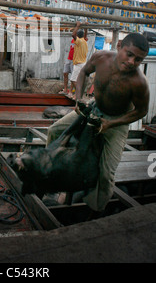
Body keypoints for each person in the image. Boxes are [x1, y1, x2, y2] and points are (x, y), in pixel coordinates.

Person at [46, 32, 150, 215]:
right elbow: (84, 72)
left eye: (138, 60)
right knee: (55, 131)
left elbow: (141, 111)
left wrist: (111, 124)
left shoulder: (139, 83)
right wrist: (78, 100)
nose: (132, 62)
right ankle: (52, 173)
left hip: (117, 122)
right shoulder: (101, 57)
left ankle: (95, 210)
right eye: (130, 54)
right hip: (94, 109)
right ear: (119, 47)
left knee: (106, 173)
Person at [59, 22, 88, 95]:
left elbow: (77, 35)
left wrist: (79, 26)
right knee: (66, 73)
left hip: (76, 61)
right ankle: (66, 90)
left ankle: (73, 92)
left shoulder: (80, 41)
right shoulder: (78, 40)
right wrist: (85, 27)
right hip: (70, 58)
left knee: (73, 78)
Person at [68, 21, 88, 99]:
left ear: (77, 36)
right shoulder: (84, 41)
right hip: (83, 63)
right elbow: (85, 35)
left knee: (73, 80)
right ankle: (77, 95)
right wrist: (86, 28)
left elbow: (73, 34)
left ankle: (79, 93)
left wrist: (77, 26)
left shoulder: (79, 41)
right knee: (78, 80)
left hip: (79, 64)